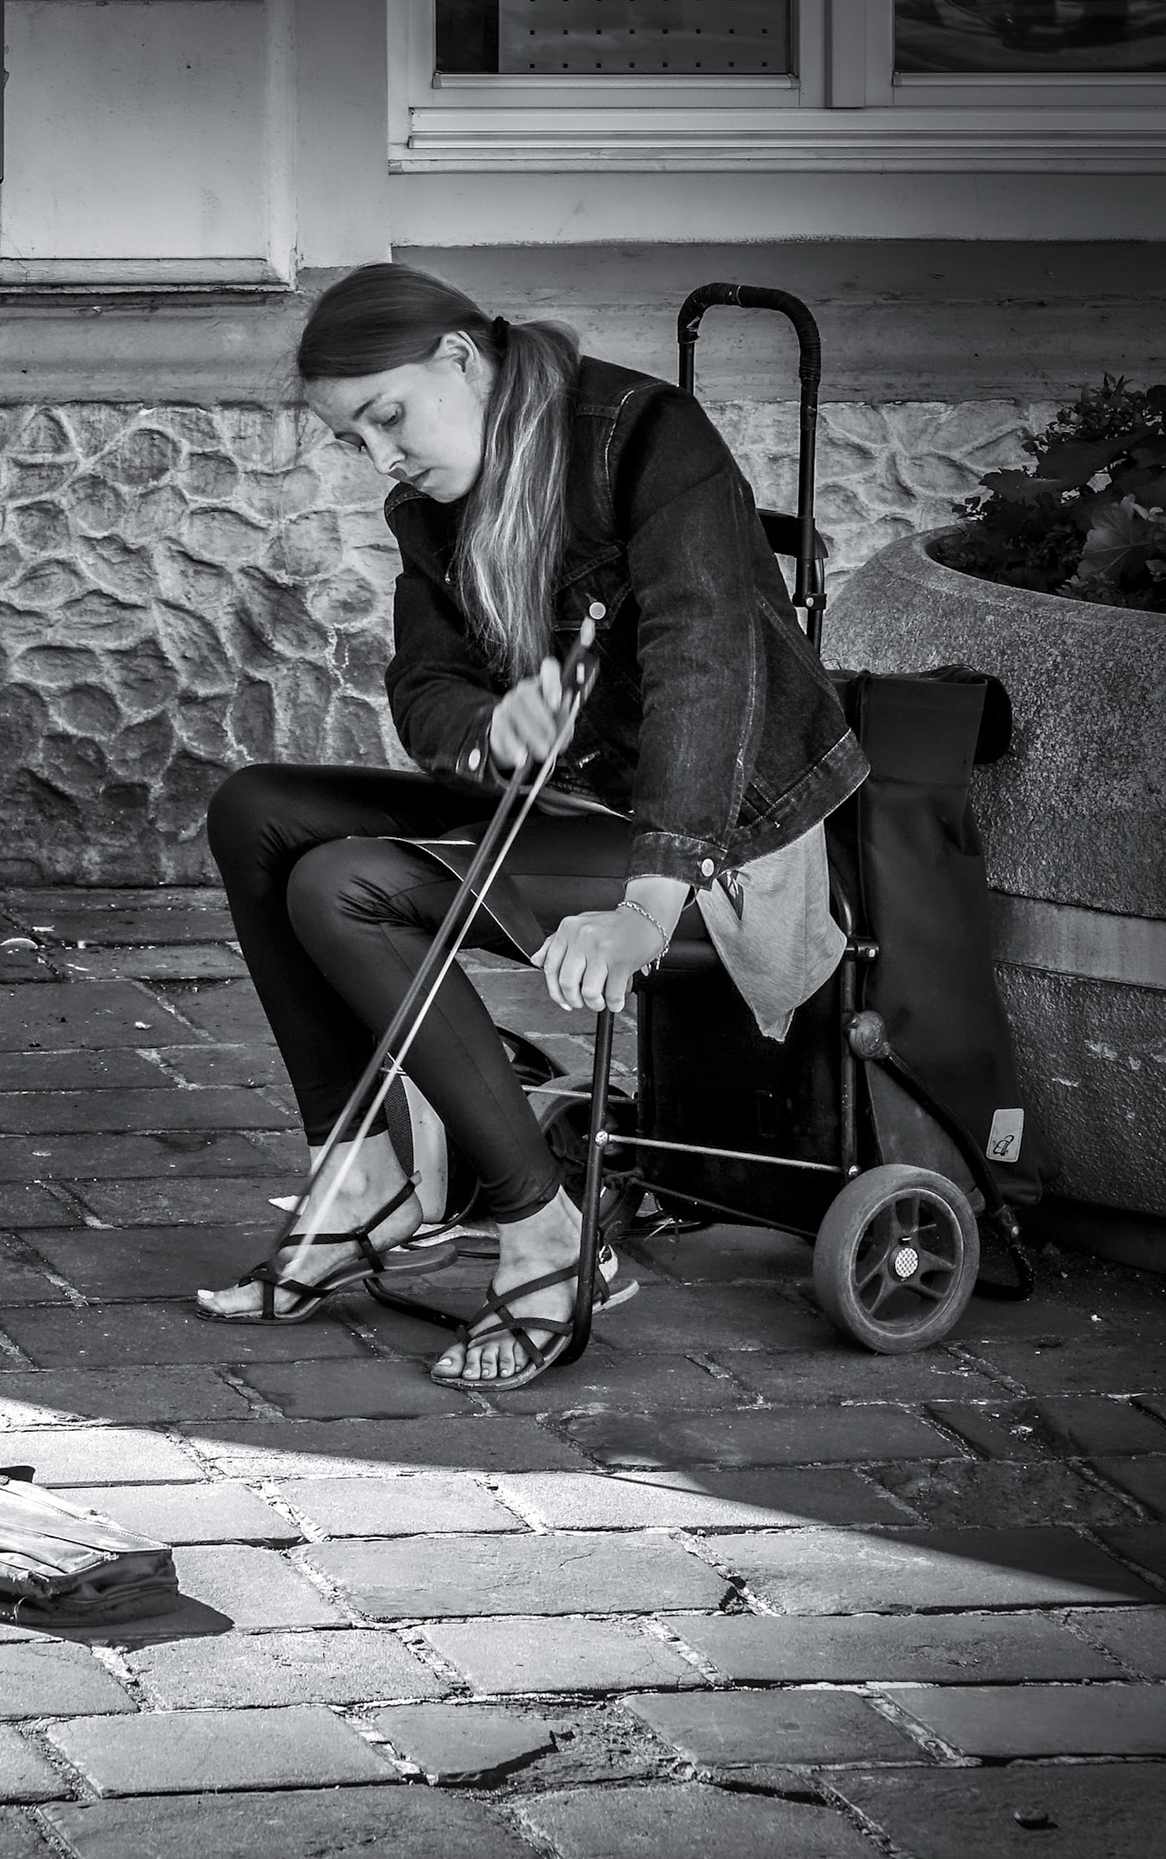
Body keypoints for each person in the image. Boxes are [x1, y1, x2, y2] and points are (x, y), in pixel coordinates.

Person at [196, 263, 870, 1391]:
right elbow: (426, 692)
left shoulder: (649, 438)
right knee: (254, 811)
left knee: (343, 887)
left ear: (462, 358)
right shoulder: (432, 505)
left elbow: (707, 671)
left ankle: (549, 1234)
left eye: (387, 418)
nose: (381, 460)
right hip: (573, 799)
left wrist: (649, 903)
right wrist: (491, 723)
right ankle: (364, 1177)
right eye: (353, 440)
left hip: (729, 840)